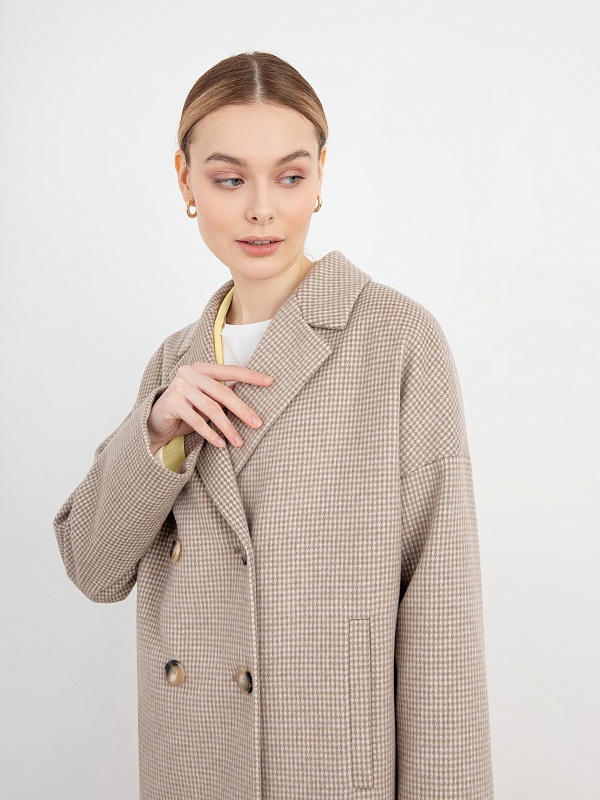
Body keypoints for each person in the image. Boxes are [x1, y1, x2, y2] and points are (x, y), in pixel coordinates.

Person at [54, 51, 494, 800]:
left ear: (320, 177)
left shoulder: (396, 340)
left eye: (289, 176)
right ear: (185, 182)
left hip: (329, 768)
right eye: (229, 179)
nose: (262, 209)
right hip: (190, 767)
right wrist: (156, 429)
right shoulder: (175, 362)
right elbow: (94, 571)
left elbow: (442, 618)